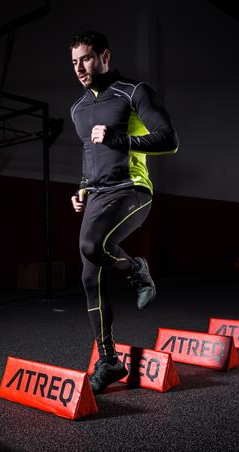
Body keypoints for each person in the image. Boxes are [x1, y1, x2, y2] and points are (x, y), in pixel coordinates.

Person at [68, 30, 179, 393]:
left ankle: (137, 268)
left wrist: (121, 139)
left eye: (85, 58)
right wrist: (81, 190)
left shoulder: (134, 92)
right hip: (98, 196)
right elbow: (90, 156)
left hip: (132, 190)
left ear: (105, 56)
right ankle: (109, 361)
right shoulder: (78, 109)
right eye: (74, 62)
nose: (80, 68)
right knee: (89, 277)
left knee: (90, 246)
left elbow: (168, 139)